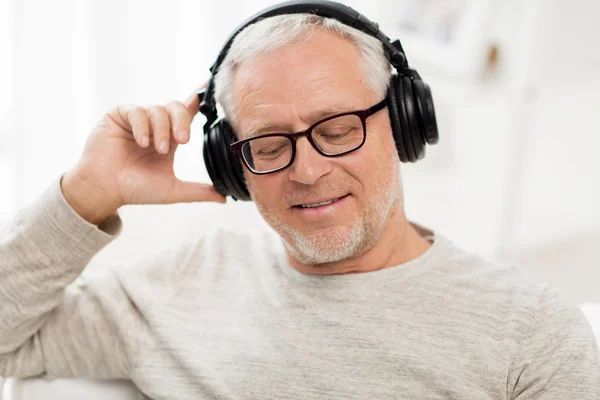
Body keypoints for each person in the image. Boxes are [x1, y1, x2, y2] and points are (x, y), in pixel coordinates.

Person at [1, 3, 599, 399]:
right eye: (267, 144)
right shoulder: (183, 283)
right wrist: (83, 195)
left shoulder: (530, 333)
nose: (308, 171)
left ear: (404, 123)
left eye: (338, 130)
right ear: (232, 165)